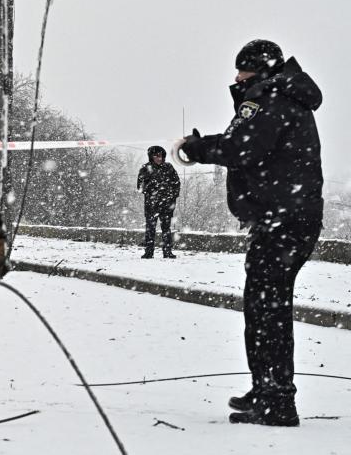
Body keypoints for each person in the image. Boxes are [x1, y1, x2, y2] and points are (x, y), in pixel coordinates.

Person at [178, 39, 323, 426]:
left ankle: (275, 400)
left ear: (255, 70)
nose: (236, 77)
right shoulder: (287, 96)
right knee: (267, 308)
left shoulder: (268, 96)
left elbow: (243, 148)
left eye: (241, 70)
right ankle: (267, 390)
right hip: (292, 219)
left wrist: (197, 148)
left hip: (282, 222)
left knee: (266, 311)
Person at [136, 145, 181, 258]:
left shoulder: (168, 167)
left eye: (161, 156)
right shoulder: (145, 168)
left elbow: (176, 183)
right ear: (151, 156)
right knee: (150, 229)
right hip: (151, 205)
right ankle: (149, 252)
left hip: (166, 205)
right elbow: (140, 187)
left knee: (166, 229)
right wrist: (152, 186)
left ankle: (167, 252)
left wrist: (172, 197)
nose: (159, 158)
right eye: (156, 156)